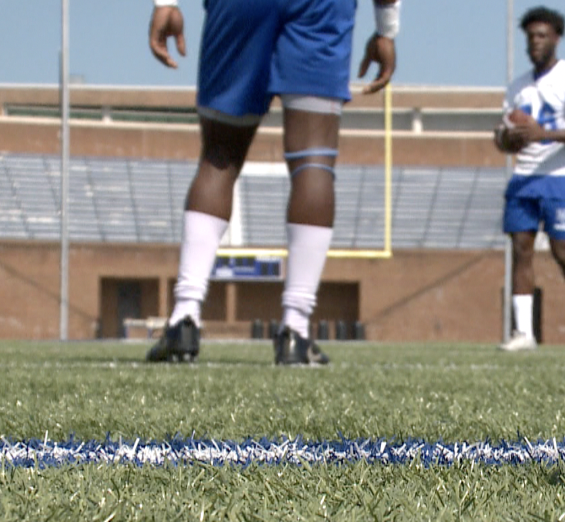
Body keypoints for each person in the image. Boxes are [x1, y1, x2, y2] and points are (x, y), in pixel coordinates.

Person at [145, 0, 400, 365]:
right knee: (314, 160)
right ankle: (295, 329)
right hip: (322, 8)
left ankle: (184, 319)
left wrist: (165, 2)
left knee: (220, 156)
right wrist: (386, 28)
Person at [494, 6, 565, 352]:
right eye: (530, 37)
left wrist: (543, 134)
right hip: (524, 175)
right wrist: (507, 138)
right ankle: (524, 332)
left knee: (562, 252)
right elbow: (501, 138)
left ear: (556, 38)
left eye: (541, 35)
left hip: (559, 176)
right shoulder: (518, 87)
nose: (535, 42)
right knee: (520, 250)